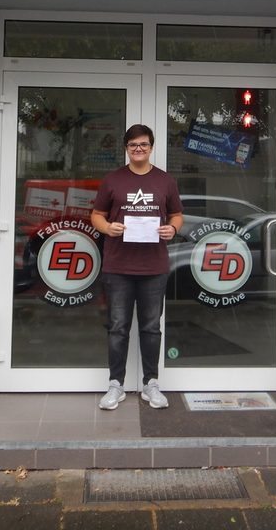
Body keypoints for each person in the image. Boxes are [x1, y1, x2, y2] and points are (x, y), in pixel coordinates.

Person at [92, 124, 183, 410]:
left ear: (151, 147)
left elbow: (177, 215)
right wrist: (107, 227)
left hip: (153, 267)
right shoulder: (112, 180)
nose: (138, 149)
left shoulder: (165, 180)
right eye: (133, 145)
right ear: (126, 148)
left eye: (143, 144)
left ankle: (150, 384)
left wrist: (172, 229)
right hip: (118, 265)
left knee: (151, 328)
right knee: (118, 327)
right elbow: (97, 215)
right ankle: (115, 385)